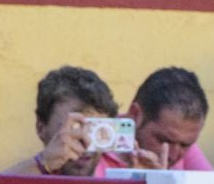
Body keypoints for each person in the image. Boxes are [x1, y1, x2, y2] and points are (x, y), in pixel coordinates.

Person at [9, 66, 172, 177]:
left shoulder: (118, 180)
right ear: (41, 127)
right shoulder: (28, 178)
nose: (86, 143)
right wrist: (43, 164)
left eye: (96, 131)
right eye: (73, 129)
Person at [124, 67, 214, 170]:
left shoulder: (180, 138)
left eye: (185, 145)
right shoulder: (106, 144)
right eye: (164, 141)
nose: (173, 156)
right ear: (134, 115)